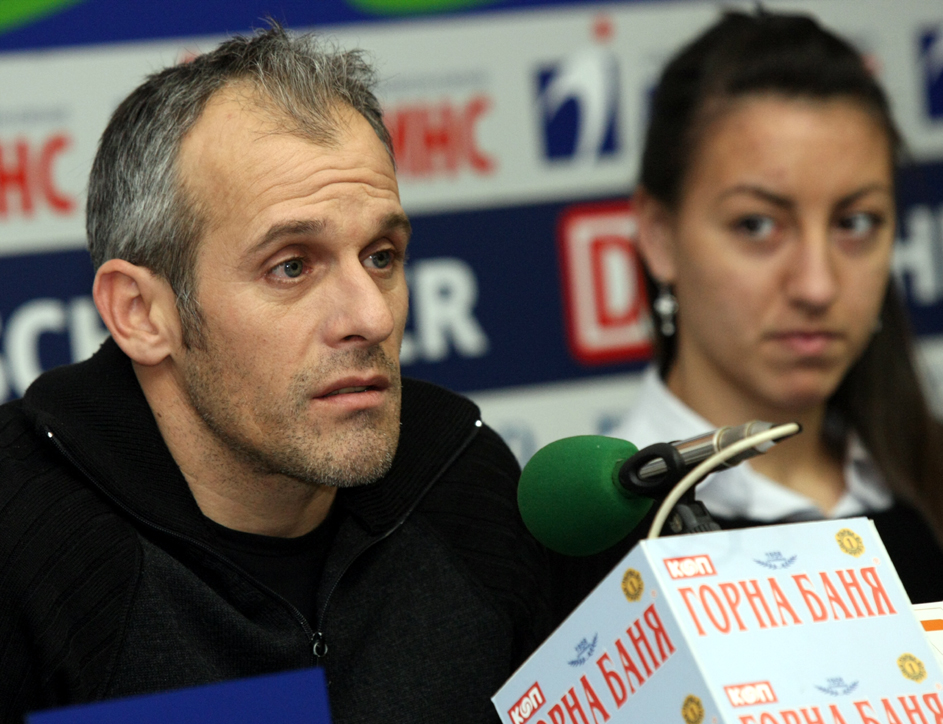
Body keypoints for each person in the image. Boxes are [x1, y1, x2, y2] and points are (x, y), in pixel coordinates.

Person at [0, 26, 549, 721]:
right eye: (291, 266)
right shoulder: (22, 544)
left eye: (381, 256)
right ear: (140, 313)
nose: (370, 317)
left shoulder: (465, 487)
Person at [554, 9, 943, 619]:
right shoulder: (591, 545)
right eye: (757, 225)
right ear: (658, 235)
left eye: (855, 223)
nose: (817, 285)